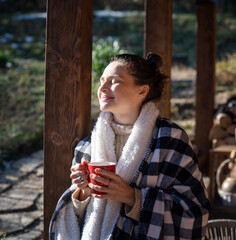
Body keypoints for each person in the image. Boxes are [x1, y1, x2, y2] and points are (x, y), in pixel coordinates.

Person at [49, 53, 210, 240]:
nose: (102, 88)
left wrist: (132, 197)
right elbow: (76, 219)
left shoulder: (171, 139)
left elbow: (195, 212)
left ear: (142, 91)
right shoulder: (87, 146)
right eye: (102, 81)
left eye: (114, 81)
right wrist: (82, 193)